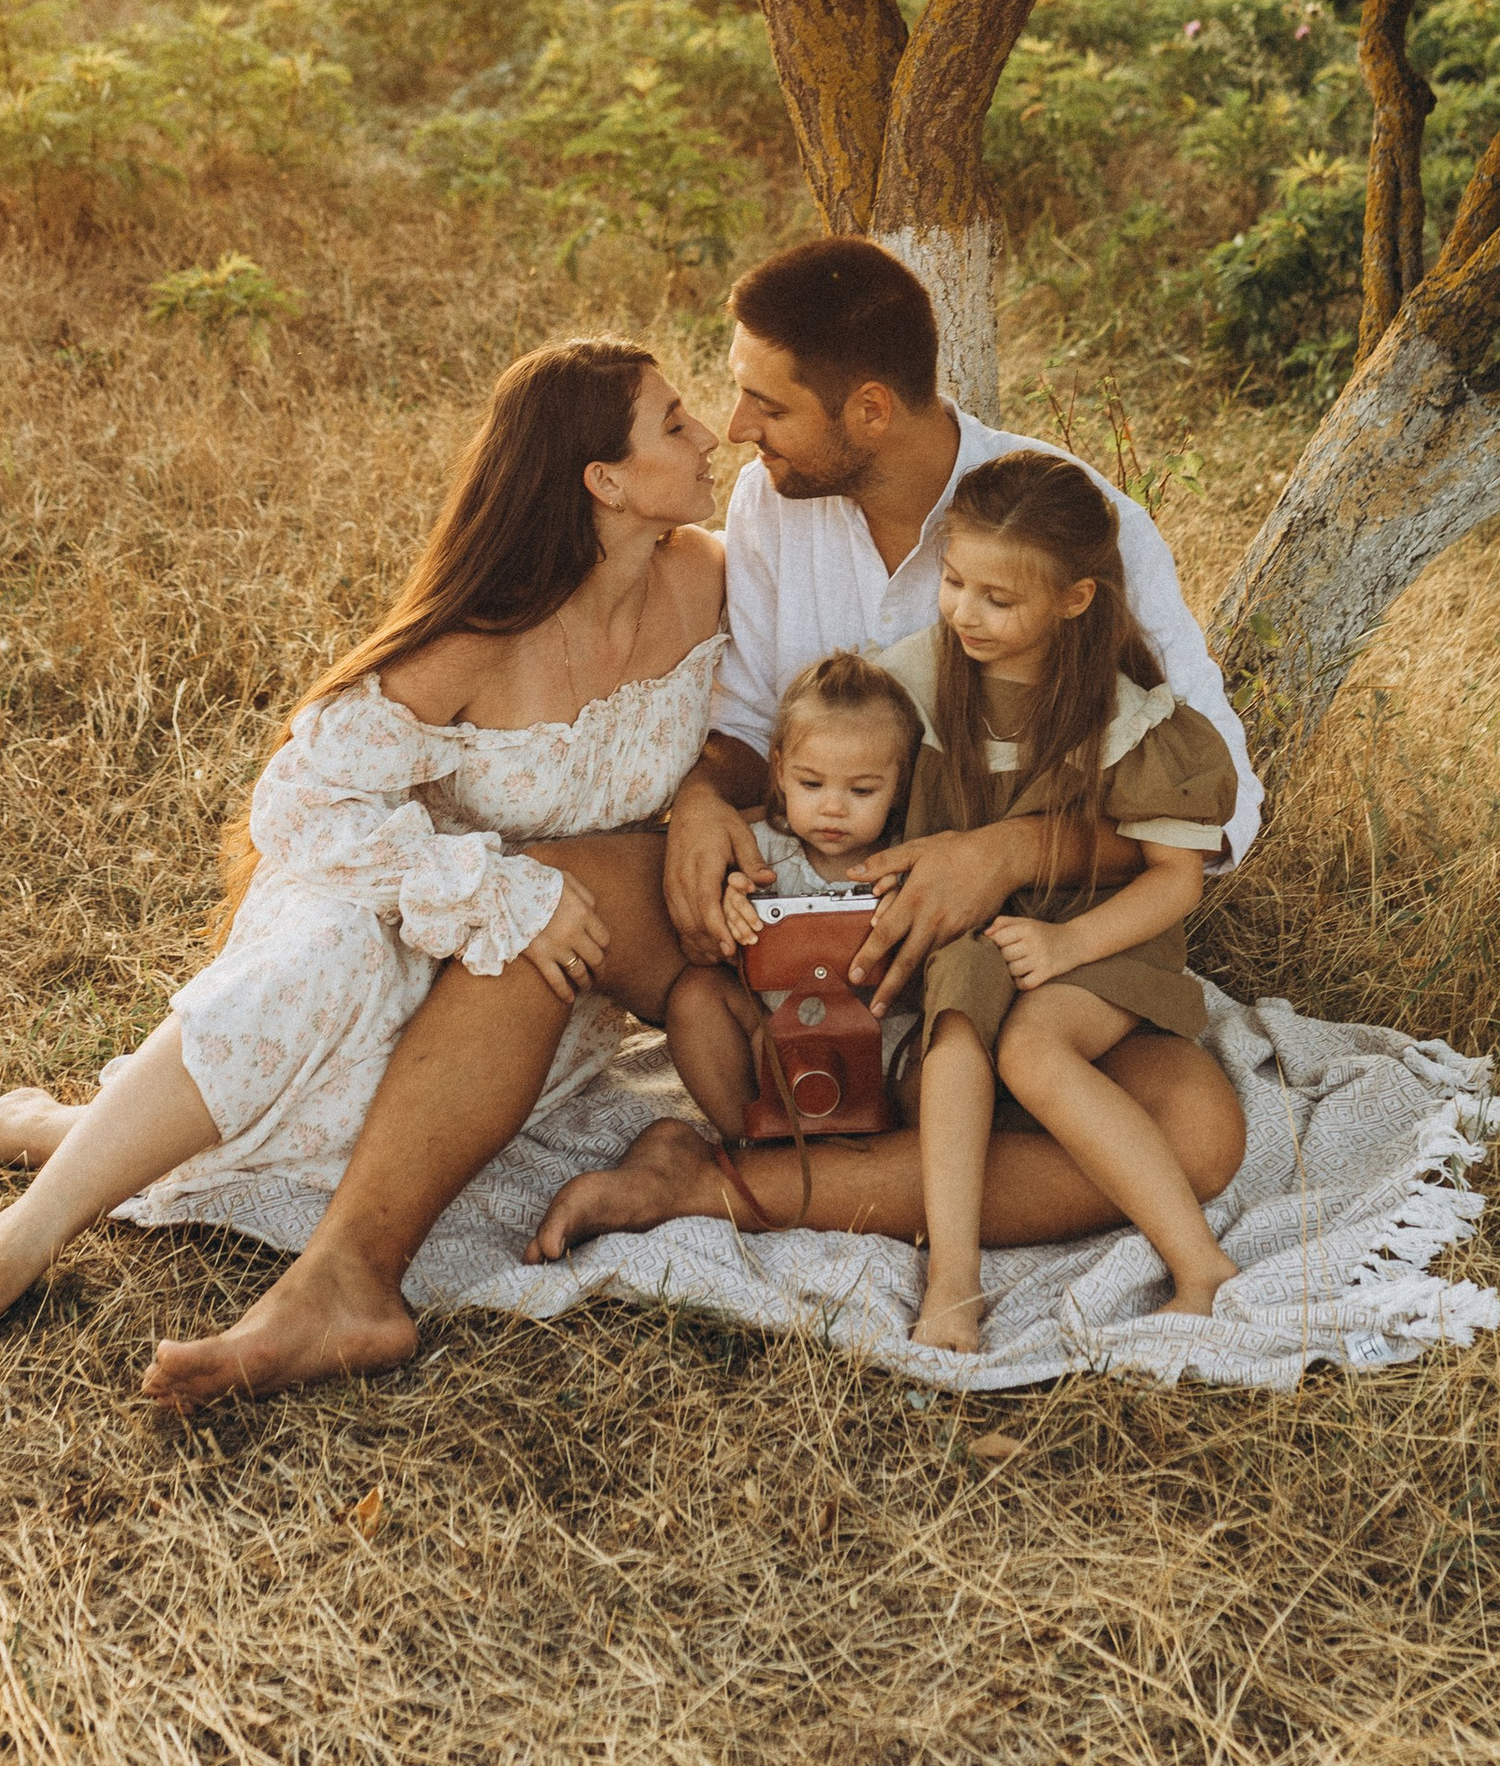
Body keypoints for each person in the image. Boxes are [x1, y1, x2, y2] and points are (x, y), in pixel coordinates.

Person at [0, 339, 723, 1400]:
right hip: (380, 878)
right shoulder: (488, 632)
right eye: (676, 423)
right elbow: (302, 804)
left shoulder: (706, 580)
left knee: (347, 1127)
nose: (709, 435)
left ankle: (43, 1130)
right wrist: (490, 889)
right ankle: (10, 1247)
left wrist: (705, 799)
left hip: (534, 960)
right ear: (603, 481)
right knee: (318, 973)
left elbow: (758, 730)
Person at [529, 237, 1255, 1266]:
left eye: (767, 404)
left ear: (869, 410)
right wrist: (700, 799)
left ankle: (713, 1183)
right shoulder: (771, 501)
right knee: (540, 892)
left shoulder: (1069, 522)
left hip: (1020, 955)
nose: (736, 430)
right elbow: (749, 723)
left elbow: (1226, 813)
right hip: (801, 913)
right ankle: (356, 1262)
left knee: (1196, 1138)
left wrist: (1006, 852)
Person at [888, 450, 1240, 1352]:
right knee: (955, 1021)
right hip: (989, 930)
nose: (964, 612)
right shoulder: (922, 680)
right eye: (953, 582)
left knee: (1033, 1049)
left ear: (1074, 599)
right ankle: (953, 1278)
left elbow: (1175, 879)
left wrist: (1068, 947)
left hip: (1101, 939)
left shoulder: (1124, 717)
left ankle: (1201, 1266)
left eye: (997, 599)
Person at [658, 650, 922, 1142]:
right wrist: (730, 911)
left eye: (862, 791)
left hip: (884, 1039)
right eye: (811, 783)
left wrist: (905, 916)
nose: (832, 807)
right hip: (776, 1040)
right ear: (779, 771)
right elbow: (710, 945)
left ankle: (897, 1153)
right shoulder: (756, 849)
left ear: (900, 785)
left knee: (941, 1053)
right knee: (695, 997)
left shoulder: (907, 859)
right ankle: (753, 1139)